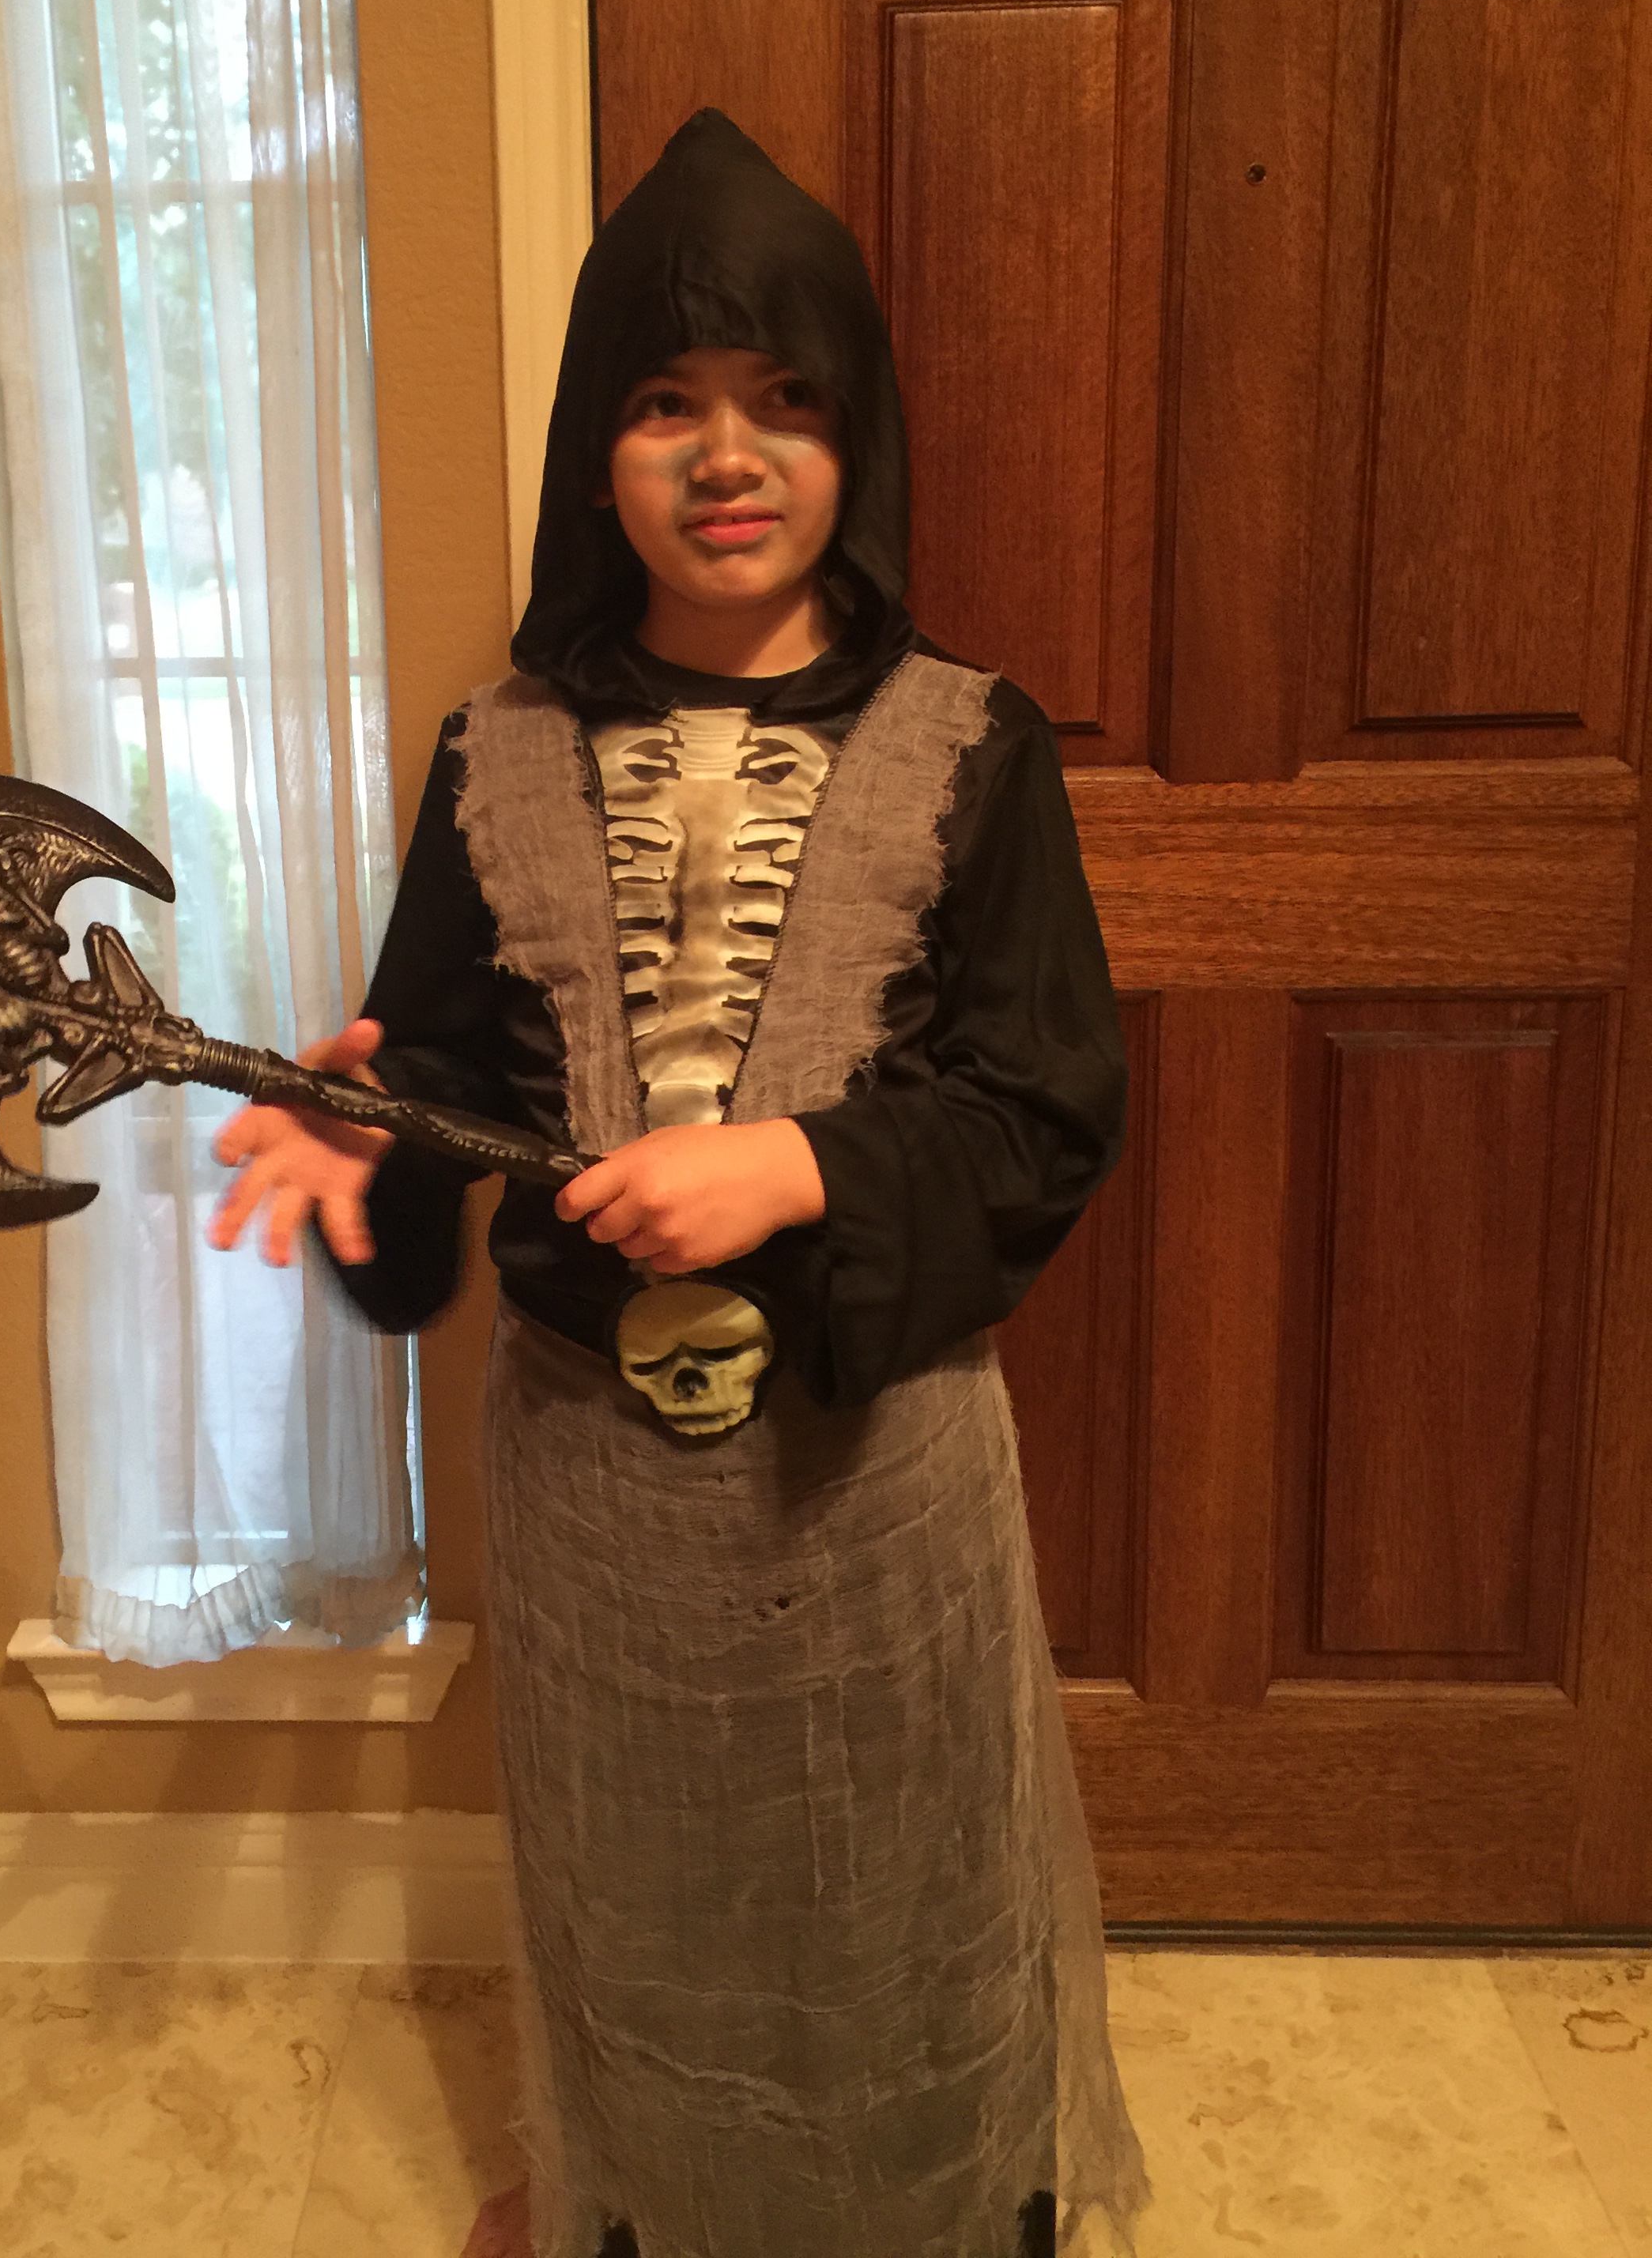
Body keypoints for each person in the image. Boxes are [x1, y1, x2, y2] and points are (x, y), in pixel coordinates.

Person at [209, 109, 1149, 2258]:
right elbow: (447, 1060)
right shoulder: (497, 750)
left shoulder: (980, 743)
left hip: (873, 1460)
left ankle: (925, 2213)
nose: (728, 457)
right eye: (665, 404)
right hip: (591, 1475)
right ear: (596, 453)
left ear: (854, 437)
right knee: (630, 1884)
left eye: (783, 400)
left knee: (903, 1876)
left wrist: (797, 1164)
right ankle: (641, 2199)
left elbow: (1042, 1104)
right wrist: (371, 1129)